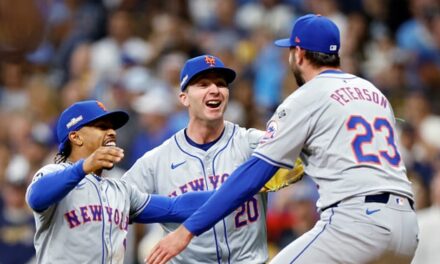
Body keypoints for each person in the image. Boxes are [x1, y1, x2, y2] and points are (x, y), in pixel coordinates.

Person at [147, 14, 419, 264]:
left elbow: (253, 175)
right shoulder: (374, 93)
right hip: (406, 227)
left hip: (356, 223)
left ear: (298, 53)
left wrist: (187, 231)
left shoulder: (307, 97)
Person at [123, 54, 277, 263]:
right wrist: (169, 209)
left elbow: (298, 162)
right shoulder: (157, 160)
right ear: (184, 97)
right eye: (203, 84)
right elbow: (117, 203)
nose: (214, 90)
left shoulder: (252, 144)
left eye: (221, 84)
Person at [25, 100, 214, 263]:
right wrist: (83, 167)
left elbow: (176, 208)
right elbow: (36, 198)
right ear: (76, 137)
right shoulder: (54, 173)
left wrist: (234, 193)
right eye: (101, 127)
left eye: (112, 127)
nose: (112, 132)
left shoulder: (120, 189)